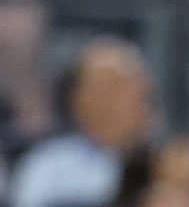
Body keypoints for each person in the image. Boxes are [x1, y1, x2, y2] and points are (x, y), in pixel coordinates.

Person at [10, 36, 154, 207]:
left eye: (135, 85)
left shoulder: (166, 164)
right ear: (77, 99)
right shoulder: (49, 167)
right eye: (111, 86)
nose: (131, 95)